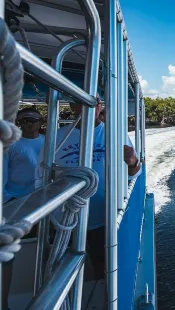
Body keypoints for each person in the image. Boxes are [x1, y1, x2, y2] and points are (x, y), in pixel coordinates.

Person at [35, 100, 142, 280]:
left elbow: (133, 175)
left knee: (103, 264)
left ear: (100, 106)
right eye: (80, 102)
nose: (88, 106)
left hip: (103, 218)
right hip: (66, 218)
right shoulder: (56, 137)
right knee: (60, 267)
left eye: (94, 102)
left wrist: (132, 162)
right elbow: (40, 177)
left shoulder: (115, 134)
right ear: (72, 106)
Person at [2, 107, 45, 309]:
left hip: (44, 202)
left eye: (33, 120)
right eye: (24, 120)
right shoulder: (12, 145)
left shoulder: (48, 140)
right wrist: (9, 202)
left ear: (40, 121)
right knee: (11, 253)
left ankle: (43, 294)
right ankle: (4, 300)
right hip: (16, 204)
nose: (29, 123)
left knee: (42, 247)